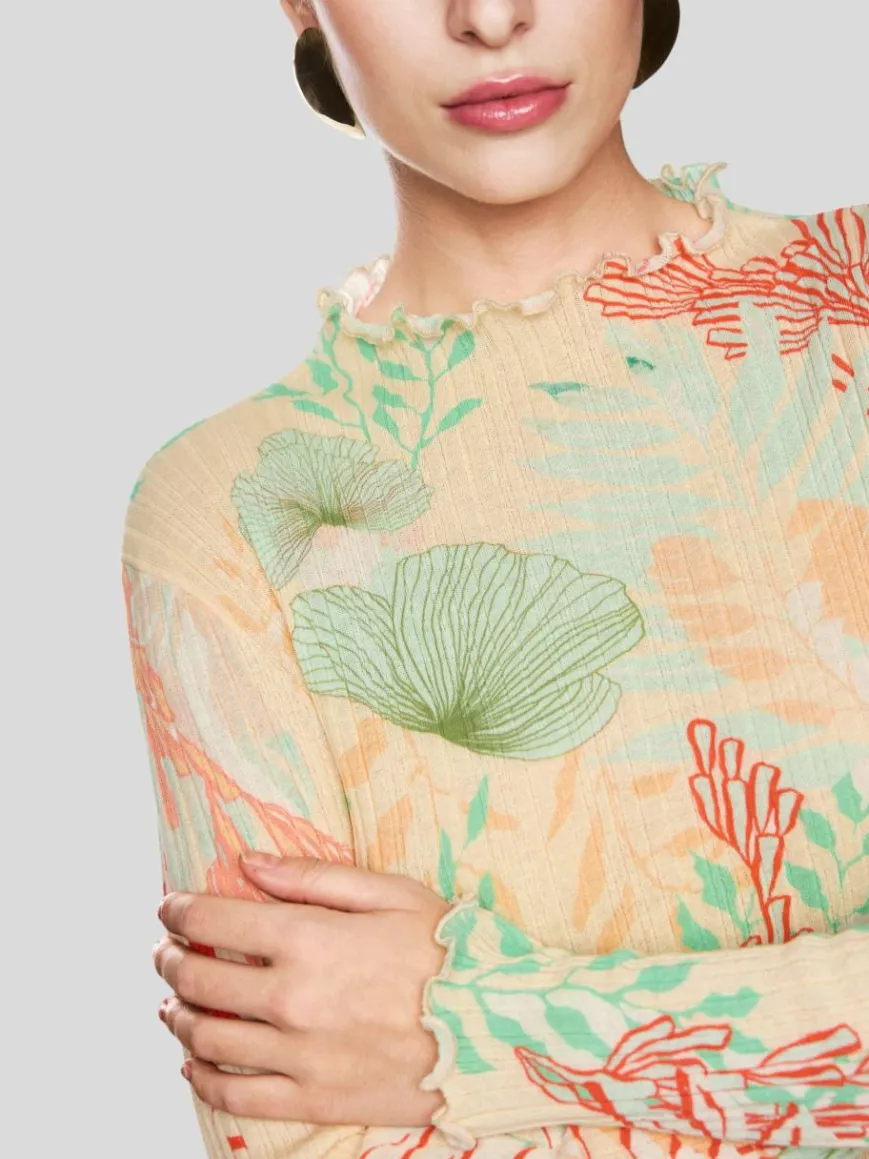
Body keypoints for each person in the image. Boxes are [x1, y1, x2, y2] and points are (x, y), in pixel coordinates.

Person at [122, 2, 869, 1158]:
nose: (487, 18)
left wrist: (465, 1030)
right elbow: (296, 1136)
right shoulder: (226, 510)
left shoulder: (847, 305)